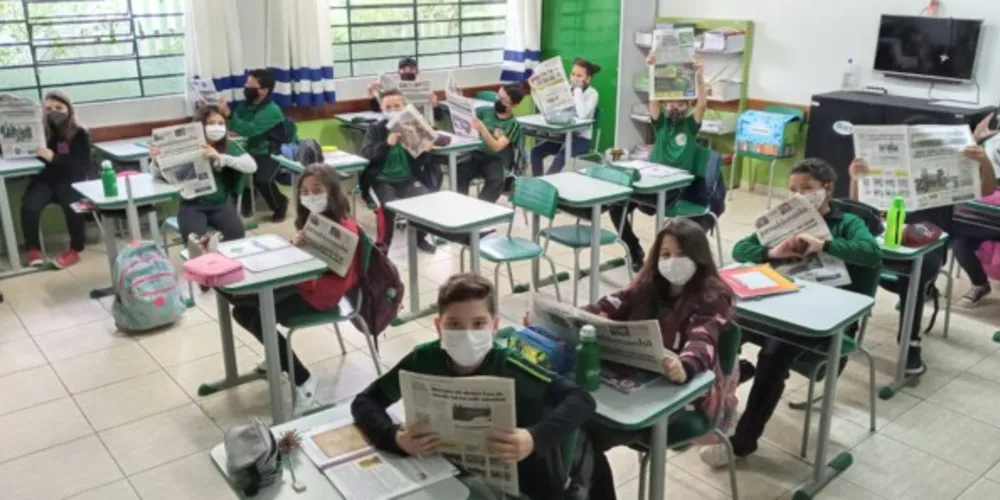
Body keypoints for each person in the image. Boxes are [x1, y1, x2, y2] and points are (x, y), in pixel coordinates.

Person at [700, 158, 882, 467]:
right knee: (719, 328)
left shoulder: (849, 222)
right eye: (793, 190)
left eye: (808, 189)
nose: (799, 196)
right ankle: (709, 409)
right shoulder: (787, 219)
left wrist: (825, 245)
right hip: (781, 305)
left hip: (825, 320)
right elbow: (741, 250)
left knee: (774, 356)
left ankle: (743, 442)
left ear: (827, 189)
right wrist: (771, 252)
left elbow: (871, 253)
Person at [351, 273, 596, 500]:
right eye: (454, 325)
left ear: (494, 325)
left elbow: (581, 400)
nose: (467, 334)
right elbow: (365, 401)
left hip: (513, 485)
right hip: (443, 473)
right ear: (439, 327)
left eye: (478, 324)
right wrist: (394, 437)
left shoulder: (510, 364)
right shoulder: (424, 359)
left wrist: (533, 438)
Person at [578, 218, 735, 499]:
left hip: (683, 390)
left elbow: (704, 338)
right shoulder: (649, 283)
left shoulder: (713, 295)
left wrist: (684, 365)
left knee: (584, 436)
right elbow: (611, 304)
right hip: (638, 381)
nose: (673, 261)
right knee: (575, 425)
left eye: (682, 254)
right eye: (666, 254)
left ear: (698, 256)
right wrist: (570, 317)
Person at [847, 117, 996, 372]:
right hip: (885, 240)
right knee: (849, 258)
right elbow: (859, 205)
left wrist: (984, 163)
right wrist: (854, 178)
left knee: (915, 273)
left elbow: (987, 188)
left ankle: (910, 342)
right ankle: (848, 327)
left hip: (927, 248)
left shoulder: (951, 174)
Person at [228, 164, 361, 415]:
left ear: (332, 190)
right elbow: (308, 257)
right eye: (305, 191)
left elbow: (340, 278)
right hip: (303, 285)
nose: (311, 196)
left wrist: (300, 273)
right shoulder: (313, 219)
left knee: (256, 313)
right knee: (243, 310)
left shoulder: (346, 228)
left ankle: (303, 380)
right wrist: (295, 247)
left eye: (317, 190)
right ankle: (277, 356)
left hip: (323, 295)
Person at [610, 54, 708, 270]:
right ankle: (634, 249)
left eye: (681, 102)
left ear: (687, 104)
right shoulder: (661, 123)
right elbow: (653, 100)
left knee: (639, 204)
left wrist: (699, 75)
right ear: (666, 103)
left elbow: (702, 104)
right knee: (615, 205)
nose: (676, 106)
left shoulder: (691, 125)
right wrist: (653, 68)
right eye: (672, 101)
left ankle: (659, 259)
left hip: (675, 188)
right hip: (651, 182)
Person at [150, 106, 255, 244]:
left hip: (221, 203)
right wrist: (157, 161)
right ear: (200, 125)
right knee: (196, 243)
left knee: (237, 237)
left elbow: (251, 166)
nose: (216, 127)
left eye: (221, 123)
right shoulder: (186, 145)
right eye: (211, 123)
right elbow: (158, 176)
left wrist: (220, 158)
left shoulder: (227, 145)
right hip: (192, 205)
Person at [359, 89, 437, 253]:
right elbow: (367, 155)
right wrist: (386, 144)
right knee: (388, 207)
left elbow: (419, 161)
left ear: (405, 107)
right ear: (382, 108)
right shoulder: (376, 129)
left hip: (407, 178)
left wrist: (425, 151)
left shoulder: (411, 128)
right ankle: (383, 247)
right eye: (388, 107)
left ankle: (419, 238)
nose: (393, 110)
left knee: (426, 200)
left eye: (397, 106)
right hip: (381, 179)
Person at [21, 90, 90, 269]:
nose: (54, 112)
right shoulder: (40, 133)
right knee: (30, 205)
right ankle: (32, 248)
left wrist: (53, 157)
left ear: (69, 109)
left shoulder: (79, 133)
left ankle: (76, 249)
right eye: (48, 109)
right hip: (46, 180)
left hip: (71, 180)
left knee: (72, 206)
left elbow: (78, 165)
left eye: (59, 107)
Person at [217, 69, 290, 221]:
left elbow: (249, 129)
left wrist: (230, 115)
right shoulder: (245, 106)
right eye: (246, 83)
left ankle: (280, 203)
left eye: (251, 85)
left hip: (269, 150)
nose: (246, 87)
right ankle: (243, 202)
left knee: (262, 180)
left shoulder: (272, 110)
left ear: (264, 90)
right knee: (226, 169)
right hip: (248, 148)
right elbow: (236, 125)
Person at [949, 112, 1000, 307]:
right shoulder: (991, 132)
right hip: (988, 198)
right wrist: (978, 141)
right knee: (958, 239)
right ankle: (979, 283)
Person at [528, 58, 600, 176]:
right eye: (573, 74)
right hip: (562, 135)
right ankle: (538, 182)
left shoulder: (593, 94)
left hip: (581, 139)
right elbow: (546, 109)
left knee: (561, 156)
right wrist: (535, 90)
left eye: (579, 75)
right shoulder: (565, 89)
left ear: (588, 79)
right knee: (536, 151)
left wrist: (577, 89)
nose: (574, 78)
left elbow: (582, 114)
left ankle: (548, 185)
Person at [455, 83, 525, 203]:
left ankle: (481, 210)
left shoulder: (513, 124)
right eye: (498, 96)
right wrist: (459, 101)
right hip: (476, 153)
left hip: (496, 159)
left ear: (514, 105)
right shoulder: (484, 111)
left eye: (503, 100)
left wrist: (483, 129)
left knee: (496, 181)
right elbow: (466, 119)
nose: (497, 100)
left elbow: (496, 147)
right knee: (460, 171)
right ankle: (462, 206)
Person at [366, 57, 442, 120]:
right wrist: (370, 91)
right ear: (398, 72)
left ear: (417, 71)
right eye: (404, 69)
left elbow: (438, 117)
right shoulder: (392, 90)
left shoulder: (426, 90)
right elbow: (376, 109)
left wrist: (435, 104)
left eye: (411, 69)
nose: (407, 71)